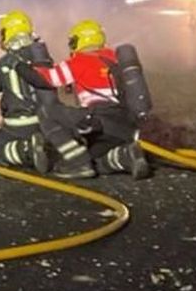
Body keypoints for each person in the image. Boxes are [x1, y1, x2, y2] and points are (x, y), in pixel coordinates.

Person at [46, 19, 152, 179]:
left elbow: (46, 78)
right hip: (129, 124)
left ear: (79, 40)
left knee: (49, 113)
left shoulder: (78, 61)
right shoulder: (115, 58)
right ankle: (125, 156)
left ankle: (79, 163)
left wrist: (23, 63)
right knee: (95, 159)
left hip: (103, 124)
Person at [0, 9, 71, 175]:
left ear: (7, 33)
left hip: (19, 125)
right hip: (48, 121)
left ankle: (26, 151)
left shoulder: (3, 63)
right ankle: (47, 147)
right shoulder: (43, 58)